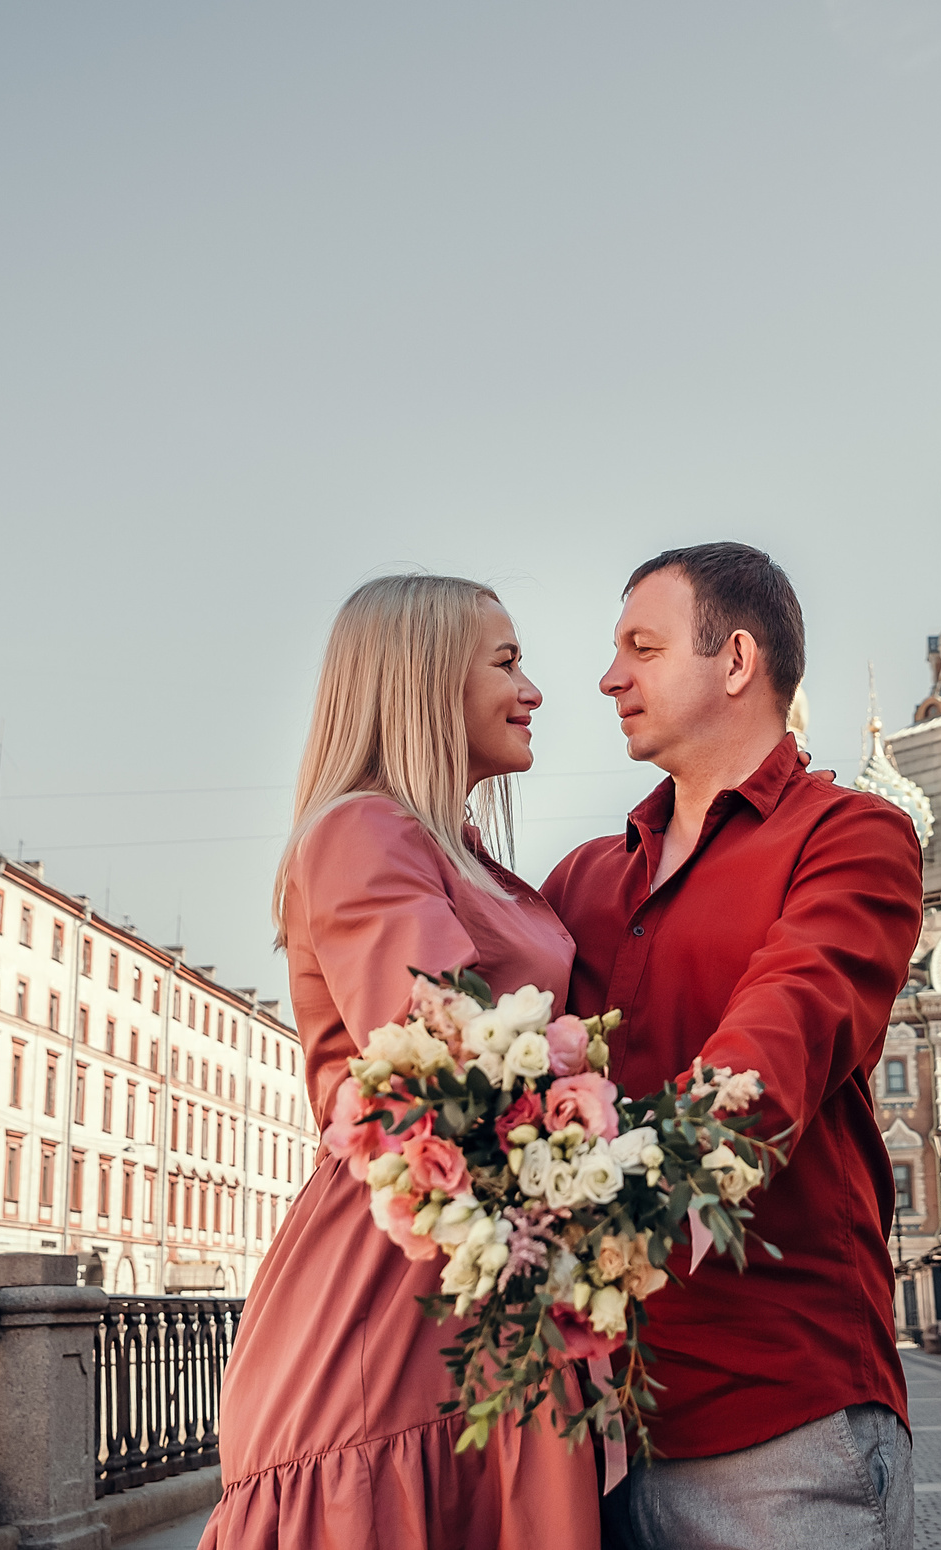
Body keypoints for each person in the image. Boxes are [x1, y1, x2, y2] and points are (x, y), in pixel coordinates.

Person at [201, 573, 600, 1549]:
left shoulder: (452, 852)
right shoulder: (362, 829)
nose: (535, 689)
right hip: (392, 1301)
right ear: (424, 681)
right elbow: (454, 1073)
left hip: (474, 1282)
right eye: (506, 663)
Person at [543, 543, 924, 1550]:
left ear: (736, 660)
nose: (608, 676)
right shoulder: (579, 882)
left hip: (777, 1431)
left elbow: (790, 1016)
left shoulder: (851, 835)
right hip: (586, 1437)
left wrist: (646, 1155)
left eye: (642, 646)